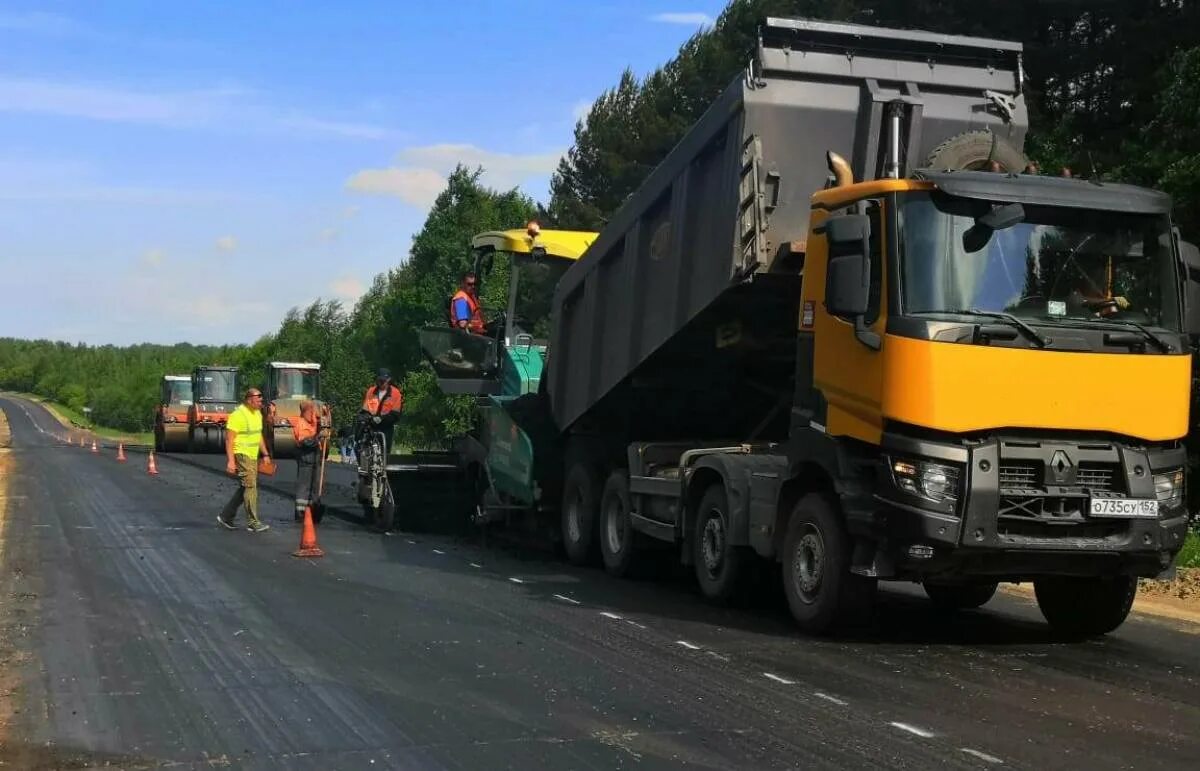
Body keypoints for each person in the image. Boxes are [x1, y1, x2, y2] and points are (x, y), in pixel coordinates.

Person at [218, 388, 271, 533]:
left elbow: (258, 435)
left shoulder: (257, 414)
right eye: (258, 397)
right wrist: (231, 461)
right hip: (241, 454)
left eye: (261, 396)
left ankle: (226, 516)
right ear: (249, 399)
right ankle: (253, 522)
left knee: (245, 487)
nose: (261, 399)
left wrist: (265, 454)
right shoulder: (238, 415)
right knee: (250, 486)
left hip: (253, 455)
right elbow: (229, 439)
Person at [291, 400, 323, 522]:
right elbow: (306, 442)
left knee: (314, 486)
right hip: (305, 457)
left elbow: (317, 430)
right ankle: (300, 512)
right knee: (304, 485)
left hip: (315, 458)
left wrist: (321, 428)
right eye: (311, 411)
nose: (313, 414)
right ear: (305, 412)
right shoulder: (301, 424)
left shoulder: (312, 423)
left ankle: (312, 508)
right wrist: (318, 437)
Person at [361, 368, 404, 459]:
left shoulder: (396, 393)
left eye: (383, 380)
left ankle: (383, 466)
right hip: (371, 424)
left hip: (386, 427)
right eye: (379, 380)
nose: (381, 383)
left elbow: (395, 414)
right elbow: (365, 409)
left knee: (385, 451)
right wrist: (367, 418)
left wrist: (381, 418)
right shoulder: (371, 391)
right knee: (362, 444)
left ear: (388, 380)